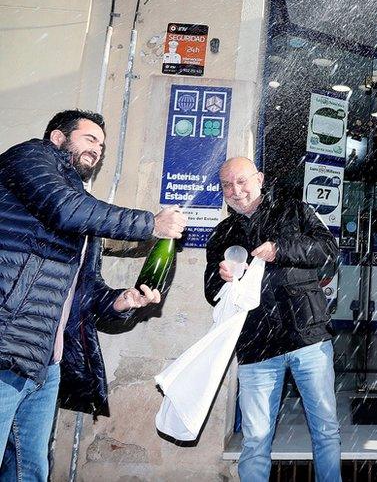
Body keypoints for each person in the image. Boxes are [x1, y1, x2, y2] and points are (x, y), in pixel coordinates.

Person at [0, 109, 186, 481]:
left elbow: (84, 292)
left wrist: (122, 301)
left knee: (30, 468)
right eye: (89, 139)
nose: (97, 150)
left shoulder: (81, 205)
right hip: (6, 343)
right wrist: (151, 222)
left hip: (44, 361)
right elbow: (63, 209)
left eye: (102, 145)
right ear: (58, 138)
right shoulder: (28, 159)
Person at [204, 157, 340, 482]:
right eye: (227, 185)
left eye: (242, 181)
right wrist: (222, 277)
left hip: (308, 338)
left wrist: (281, 249)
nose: (236, 191)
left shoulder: (293, 210)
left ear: (260, 179)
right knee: (255, 440)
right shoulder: (222, 234)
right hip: (256, 347)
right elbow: (211, 290)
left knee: (325, 430)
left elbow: (328, 250)